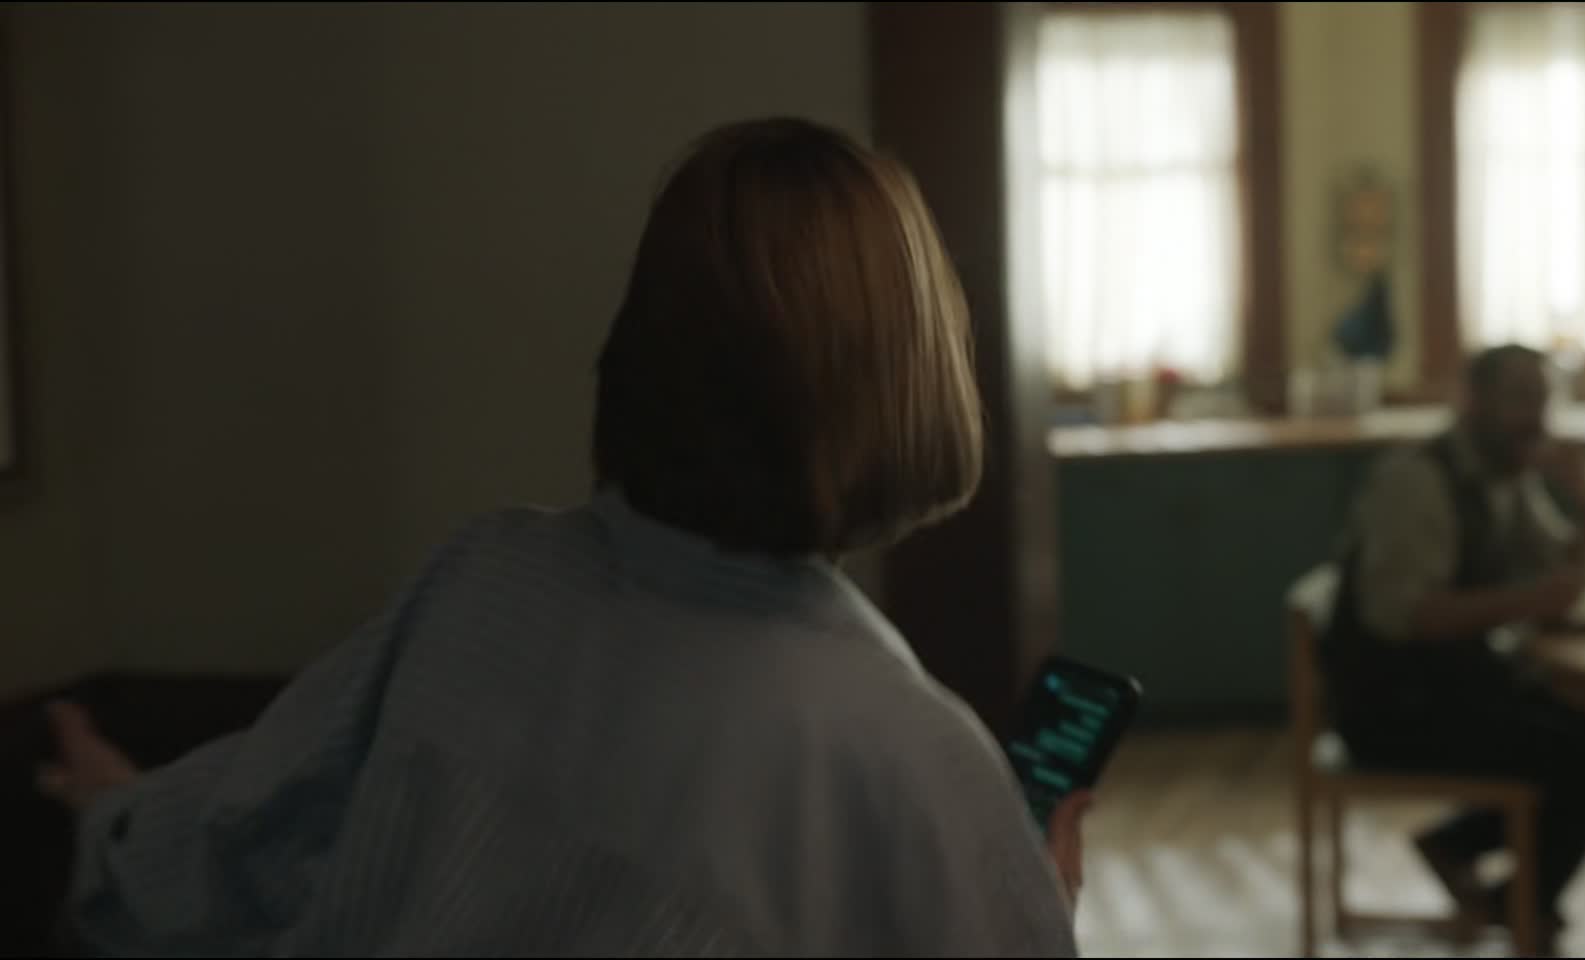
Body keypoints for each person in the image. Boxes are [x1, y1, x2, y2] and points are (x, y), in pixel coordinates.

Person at [34, 117, 1089, 958]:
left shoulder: (486, 582)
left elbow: (225, 844)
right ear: (913, 379)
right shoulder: (920, 771)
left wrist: (111, 810)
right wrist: (1022, 896)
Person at [1320, 344, 1585, 947]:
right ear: (1471, 401)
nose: (1535, 417)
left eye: (1542, 400)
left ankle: (1471, 861)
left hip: (1454, 686)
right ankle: (1519, 907)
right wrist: (1529, 601)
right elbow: (1402, 616)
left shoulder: (1505, 475)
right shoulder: (1417, 480)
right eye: (1519, 399)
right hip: (1392, 708)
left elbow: (1567, 573)